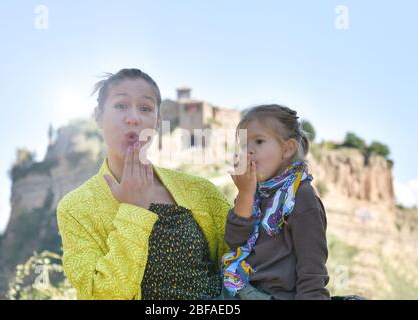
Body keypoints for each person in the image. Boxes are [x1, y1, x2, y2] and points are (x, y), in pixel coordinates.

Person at [56, 68, 232, 299]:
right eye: (121, 105)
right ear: (98, 116)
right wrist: (133, 210)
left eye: (146, 108)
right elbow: (101, 295)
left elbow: (243, 261)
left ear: (157, 123)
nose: (134, 118)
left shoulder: (202, 192)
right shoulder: (76, 208)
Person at [221, 104, 330, 300]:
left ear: (287, 149)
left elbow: (313, 274)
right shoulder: (254, 192)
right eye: (244, 145)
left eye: (259, 142)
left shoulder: (302, 198)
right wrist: (245, 194)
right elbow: (234, 241)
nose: (249, 151)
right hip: (239, 289)